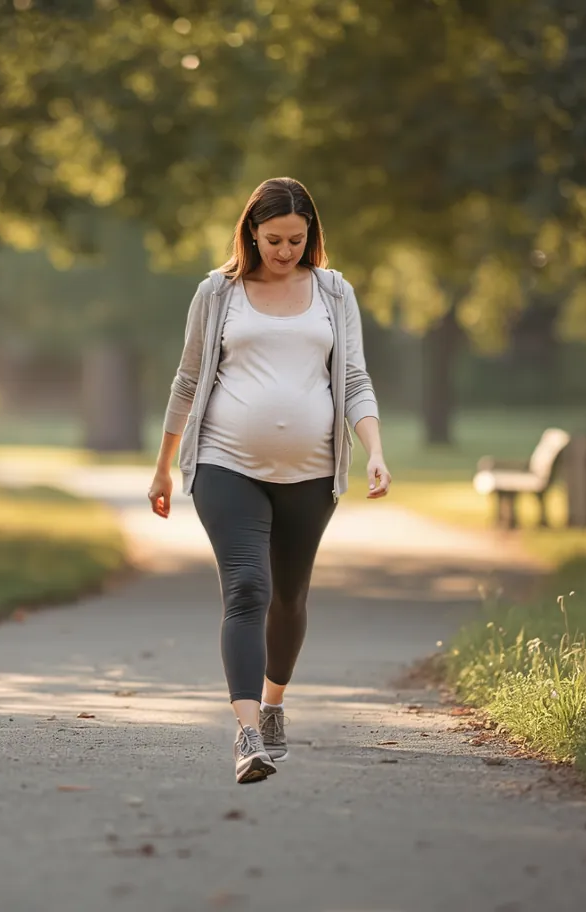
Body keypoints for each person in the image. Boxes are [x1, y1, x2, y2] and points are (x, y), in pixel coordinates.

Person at [146, 177, 392, 784]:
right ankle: (248, 732)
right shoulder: (218, 292)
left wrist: (376, 451)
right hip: (224, 463)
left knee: (289, 597)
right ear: (251, 233)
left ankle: (275, 703)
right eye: (273, 239)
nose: (284, 251)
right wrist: (163, 466)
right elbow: (187, 379)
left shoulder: (334, 292)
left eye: (296, 240)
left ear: (312, 237)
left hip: (311, 473)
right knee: (248, 589)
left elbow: (354, 379)